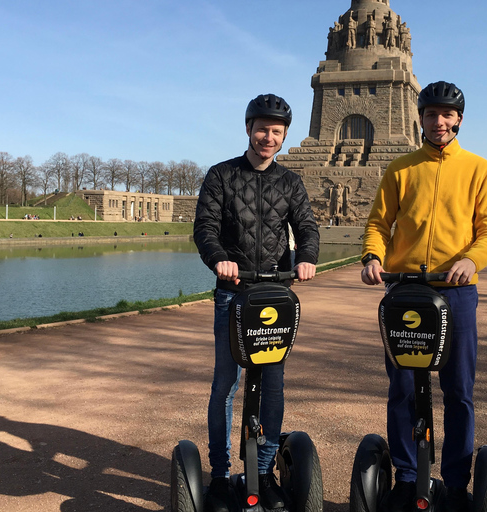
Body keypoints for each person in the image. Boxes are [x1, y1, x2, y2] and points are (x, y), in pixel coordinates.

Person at [360, 81, 487, 512]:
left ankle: (457, 483)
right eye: (431, 114)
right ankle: (407, 476)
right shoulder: (401, 168)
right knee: (402, 387)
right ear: (419, 118)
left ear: (458, 119)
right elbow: (378, 224)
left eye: (447, 115)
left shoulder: (479, 169)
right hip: (404, 290)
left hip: (456, 290)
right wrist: (372, 256)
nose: (439, 122)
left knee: (458, 389)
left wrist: (473, 260)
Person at [193, 93, 320, 512]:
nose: (268, 137)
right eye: (262, 128)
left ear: (284, 136)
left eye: (276, 131)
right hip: (233, 292)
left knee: (272, 385)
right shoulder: (221, 176)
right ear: (248, 129)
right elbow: (205, 228)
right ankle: (218, 474)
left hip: (274, 295)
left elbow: (306, 225)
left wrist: (306, 258)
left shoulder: (290, 182)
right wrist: (219, 260)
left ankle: (263, 472)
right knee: (225, 385)